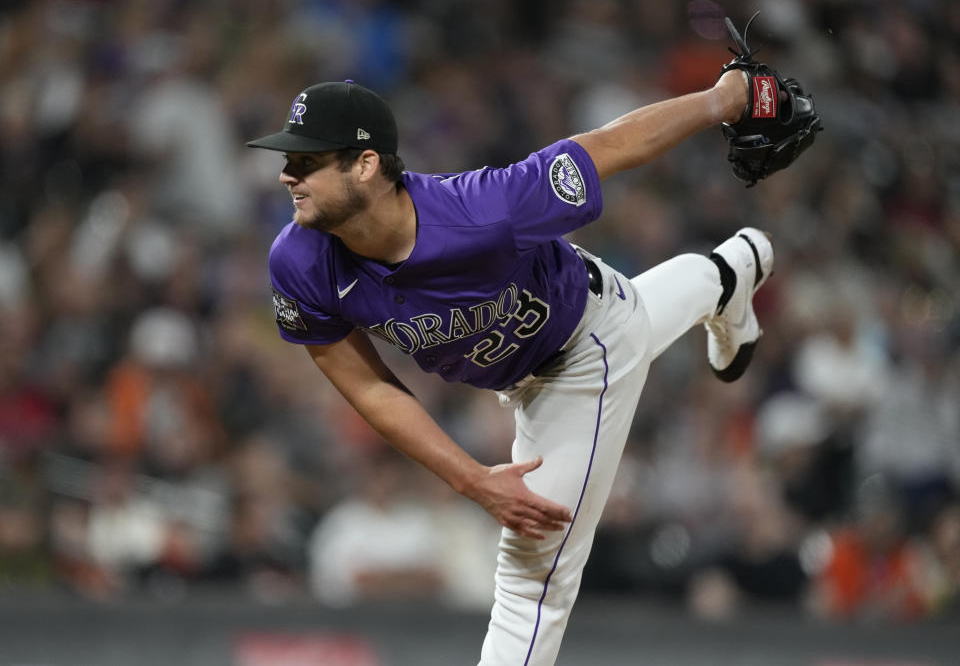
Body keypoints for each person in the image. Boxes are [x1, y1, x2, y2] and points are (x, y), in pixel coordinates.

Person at [247, 70, 773, 664]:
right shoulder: (298, 260)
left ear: (365, 164)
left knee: (531, 577)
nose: (287, 174)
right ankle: (728, 273)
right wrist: (471, 478)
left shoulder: (482, 208)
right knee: (643, 316)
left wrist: (723, 99)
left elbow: (610, 145)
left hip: (583, 347)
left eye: (306, 160)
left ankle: (724, 277)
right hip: (529, 365)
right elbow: (370, 386)